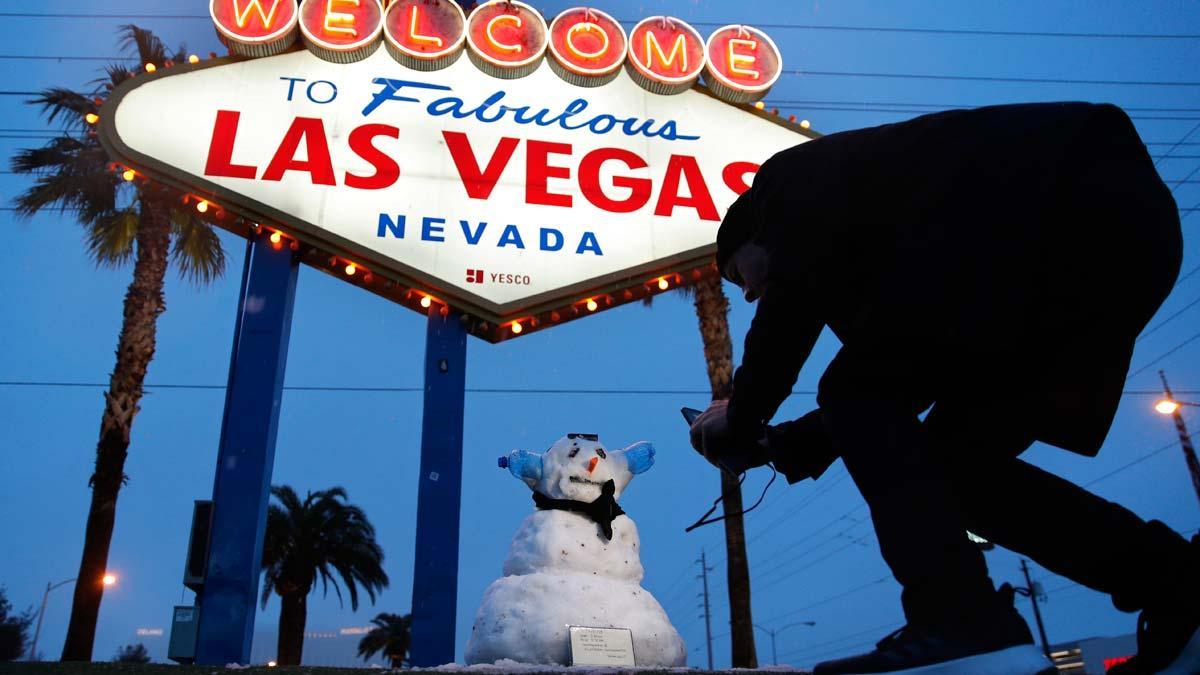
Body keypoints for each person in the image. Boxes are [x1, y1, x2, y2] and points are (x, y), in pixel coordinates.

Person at [689, 102, 1197, 675]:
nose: (750, 294)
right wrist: (781, 443)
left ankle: (961, 619)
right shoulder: (903, 239)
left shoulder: (783, 182)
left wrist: (741, 414)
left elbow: (802, 324)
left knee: (856, 388)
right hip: (1106, 237)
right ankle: (1179, 585)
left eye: (739, 276)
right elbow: (906, 379)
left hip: (1060, 210)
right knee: (956, 465)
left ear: (753, 233)